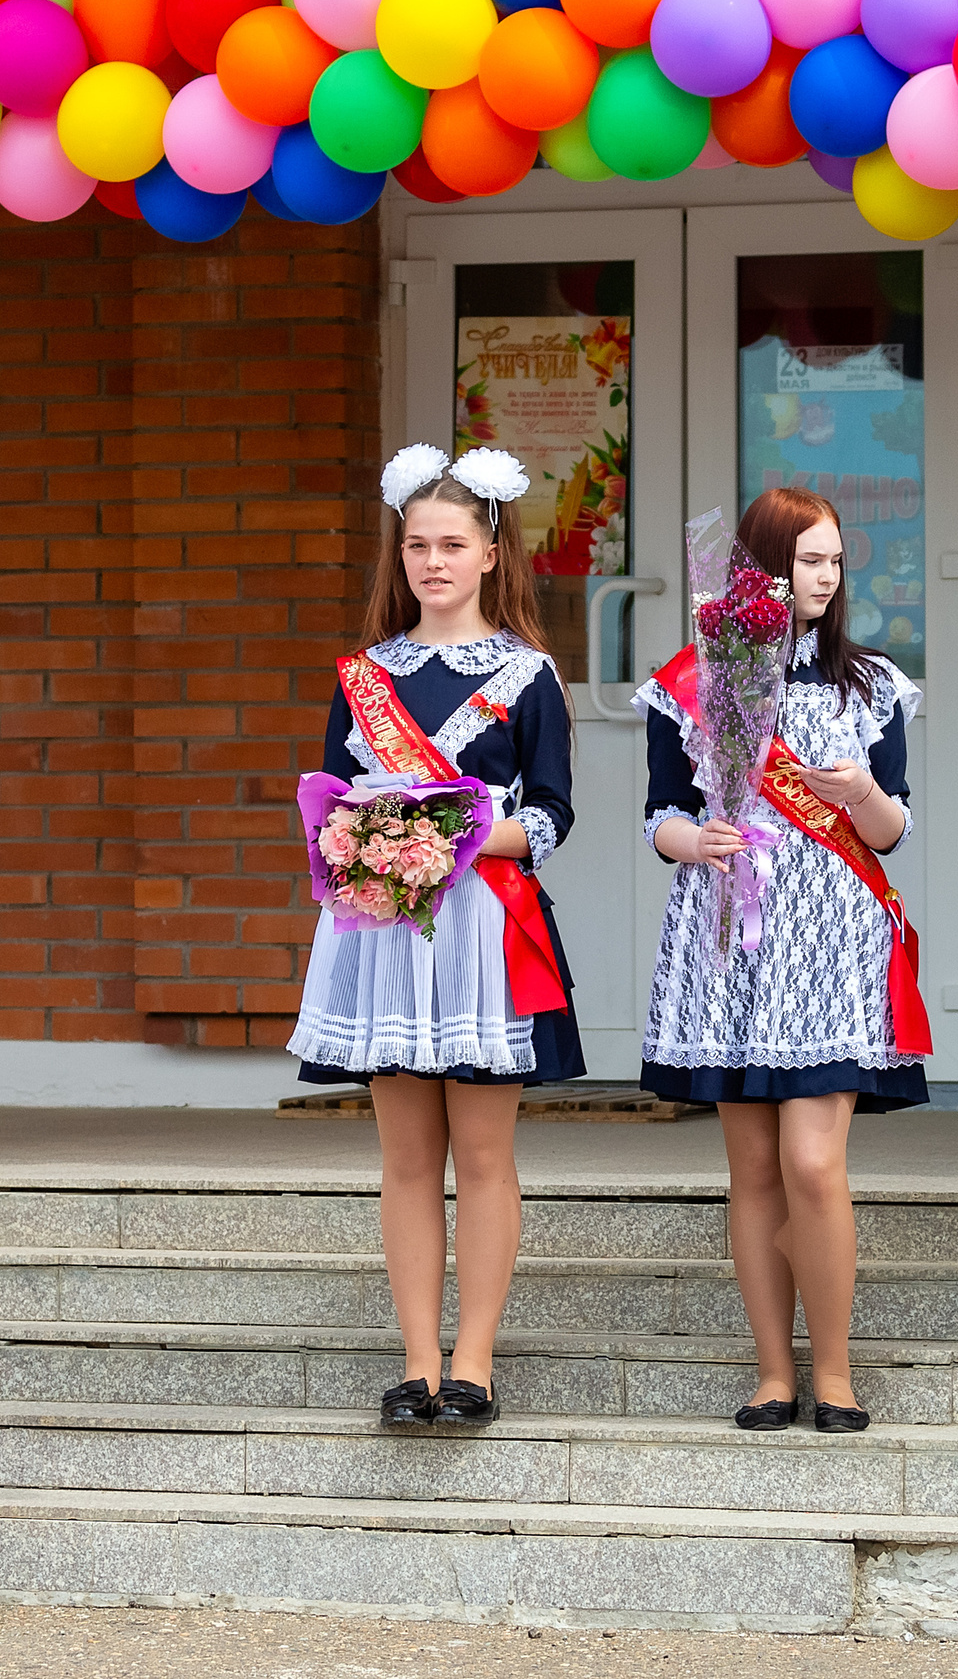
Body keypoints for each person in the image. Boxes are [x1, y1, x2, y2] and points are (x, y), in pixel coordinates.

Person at [288, 444, 580, 1431]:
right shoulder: (364, 675)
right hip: (381, 933)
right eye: (417, 545)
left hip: (481, 931)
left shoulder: (528, 676)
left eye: (453, 543)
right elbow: (330, 804)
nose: (433, 562)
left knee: (485, 1155)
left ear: (491, 552)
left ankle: (474, 1363)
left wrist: (445, 832)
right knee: (407, 1157)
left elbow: (548, 817)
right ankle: (415, 1363)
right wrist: (357, 835)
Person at [635, 486, 930, 1435]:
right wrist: (696, 841)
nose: (826, 576)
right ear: (760, 565)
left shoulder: (871, 684)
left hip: (831, 941)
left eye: (836, 560)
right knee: (753, 1166)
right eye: (808, 559)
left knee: (812, 1161)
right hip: (732, 935)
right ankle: (772, 1370)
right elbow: (661, 814)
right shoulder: (693, 678)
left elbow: (893, 830)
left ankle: (835, 1370)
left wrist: (858, 793)